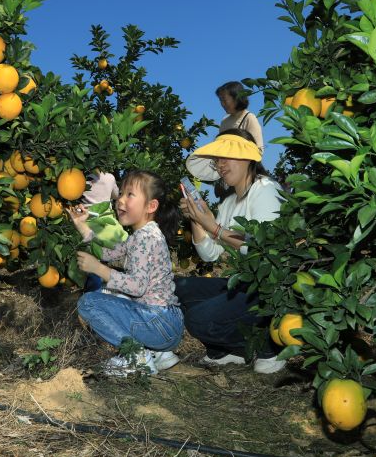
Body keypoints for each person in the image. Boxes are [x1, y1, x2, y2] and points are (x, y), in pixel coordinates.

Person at [172, 128, 285, 374]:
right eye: (217, 159)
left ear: (246, 158)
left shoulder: (266, 190)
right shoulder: (229, 203)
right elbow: (209, 254)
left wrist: (213, 227)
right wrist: (197, 217)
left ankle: (268, 345)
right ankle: (229, 350)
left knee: (198, 319)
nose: (220, 165)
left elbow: (261, 247)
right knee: (175, 287)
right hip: (245, 285)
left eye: (226, 157)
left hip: (270, 289)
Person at [69, 170, 184, 375]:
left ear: (151, 206)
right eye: (120, 193)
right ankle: (158, 353)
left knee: (88, 302)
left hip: (158, 322)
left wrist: (99, 269)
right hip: (166, 322)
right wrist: (83, 227)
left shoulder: (144, 238)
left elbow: (137, 286)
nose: (120, 200)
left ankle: (135, 356)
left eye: (129, 195)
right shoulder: (143, 234)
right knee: (108, 293)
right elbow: (108, 253)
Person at [82, 169, 120, 291]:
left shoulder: (81, 177)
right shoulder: (110, 177)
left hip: (86, 218)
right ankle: (95, 290)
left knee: (90, 254)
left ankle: (91, 290)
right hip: (104, 218)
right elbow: (116, 195)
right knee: (99, 255)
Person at [216, 81, 264, 154]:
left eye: (224, 100)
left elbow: (258, 150)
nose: (222, 104)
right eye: (220, 100)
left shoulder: (249, 118)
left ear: (236, 98)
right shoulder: (224, 121)